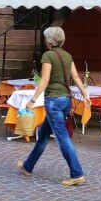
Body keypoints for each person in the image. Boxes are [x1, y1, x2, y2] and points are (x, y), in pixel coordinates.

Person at [16, 26, 91, 186]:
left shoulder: (48, 55)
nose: (45, 41)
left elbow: (44, 80)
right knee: (43, 135)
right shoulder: (67, 55)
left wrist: (32, 100)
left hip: (54, 101)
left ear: (49, 41)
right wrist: (85, 95)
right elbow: (76, 77)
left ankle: (77, 173)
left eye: (45, 38)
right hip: (65, 100)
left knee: (62, 138)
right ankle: (28, 166)